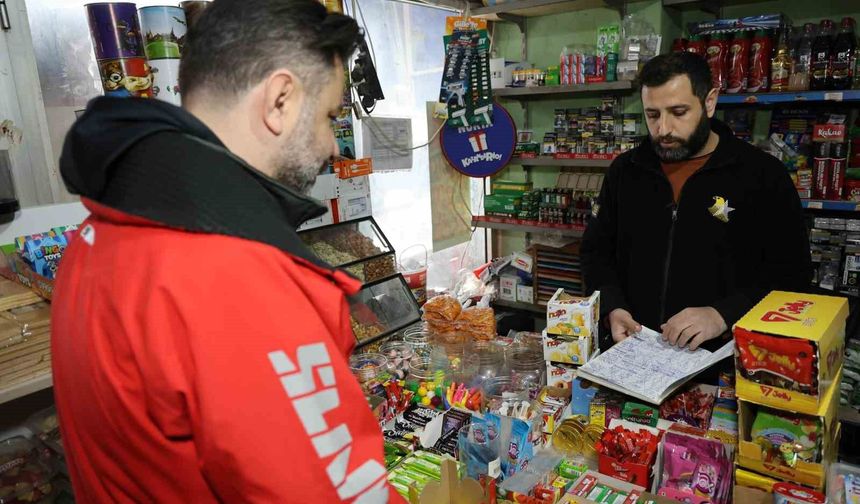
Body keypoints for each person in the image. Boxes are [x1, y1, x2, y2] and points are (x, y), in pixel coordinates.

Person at [52, 1, 401, 502]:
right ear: (280, 99)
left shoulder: (105, 225)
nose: (331, 145)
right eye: (328, 116)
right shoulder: (237, 275)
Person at [581, 52, 813, 353]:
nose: (663, 129)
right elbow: (595, 252)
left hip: (721, 362)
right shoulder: (625, 171)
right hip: (633, 354)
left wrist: (723, 315)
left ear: (710, 102)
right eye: (652, 115)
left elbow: (793, 276)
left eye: (678, 112)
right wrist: (612, 306)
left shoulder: (762, 175)